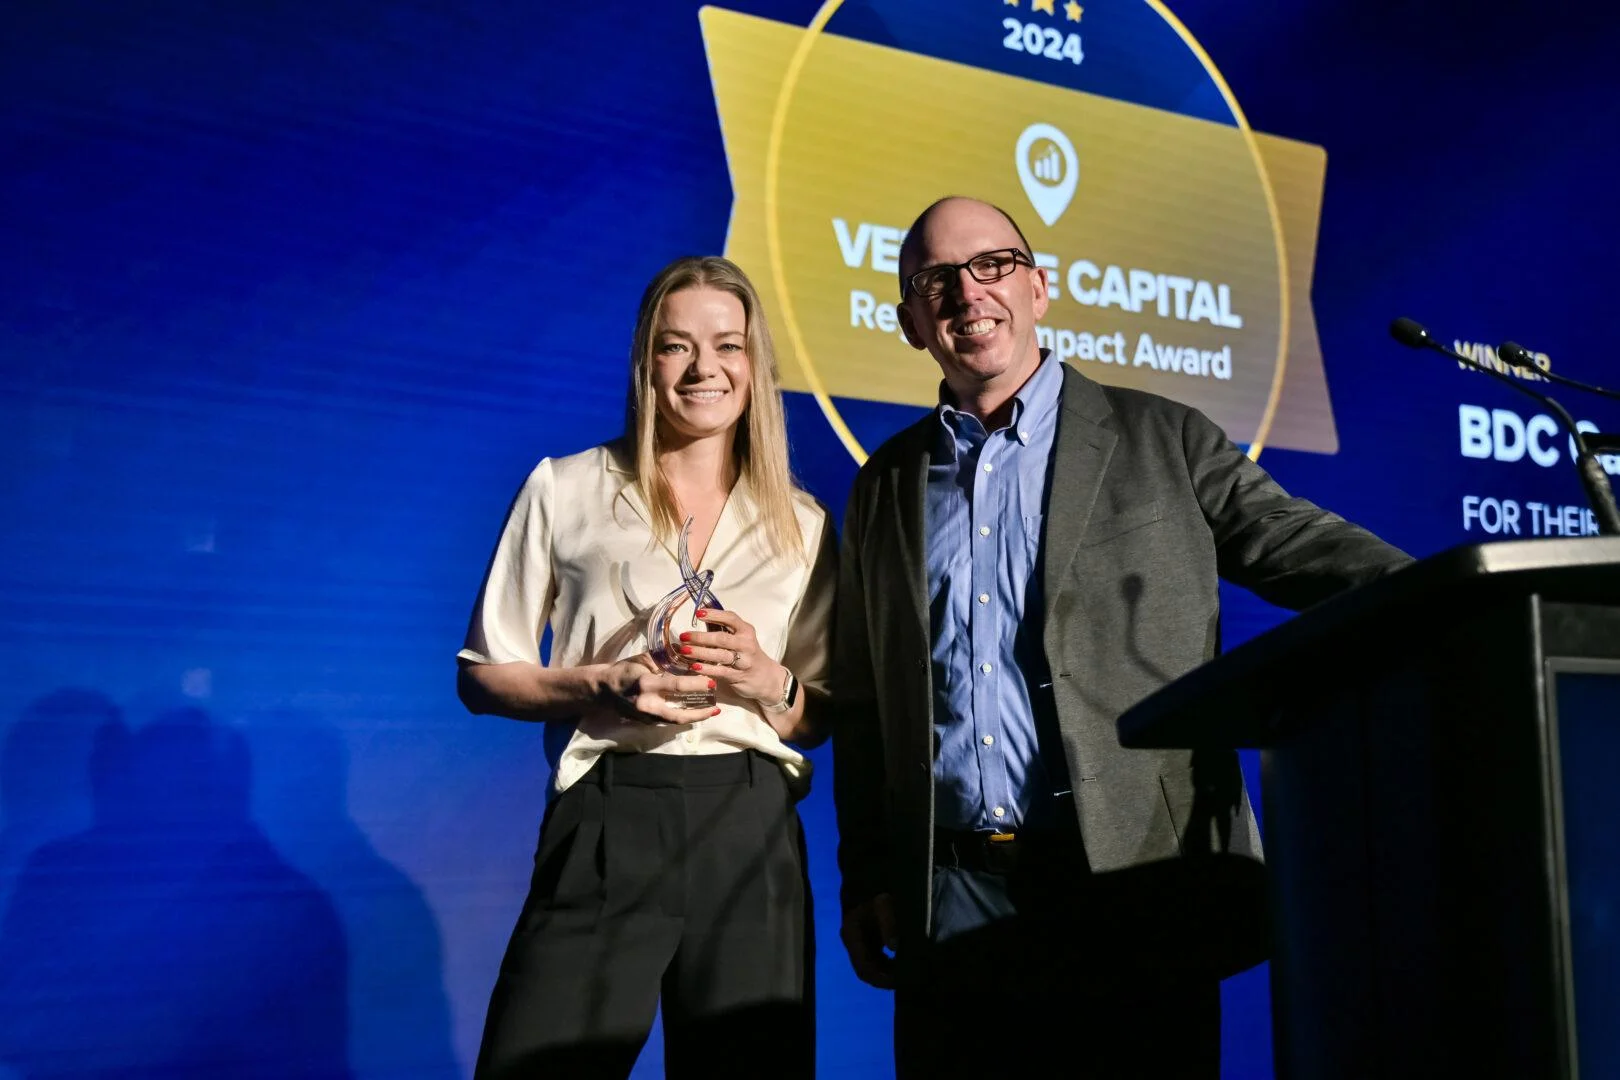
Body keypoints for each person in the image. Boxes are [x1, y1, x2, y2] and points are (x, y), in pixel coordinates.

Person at [830, 196, 1412, 1076]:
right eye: (934, 280)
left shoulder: (1161, 436)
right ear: (912, 321)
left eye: (991, 265)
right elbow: (872, 704)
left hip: (1134, 881)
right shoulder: (885, 485)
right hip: (952, 899)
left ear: (1040, 286)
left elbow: (1297, 545)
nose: (965, 293)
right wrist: (869, 874)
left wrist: (1445, 593)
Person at [457, 255, 835, 1079]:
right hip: (606, 814)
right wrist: (605, 682)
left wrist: (766, 680)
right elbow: (484, 674)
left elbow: (816, 712)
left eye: (728, 346)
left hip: (751, 824)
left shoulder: (803, 525)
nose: (705, 368)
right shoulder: (565, 488)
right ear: (645, 362)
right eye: (677, 347)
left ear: (756, 365)